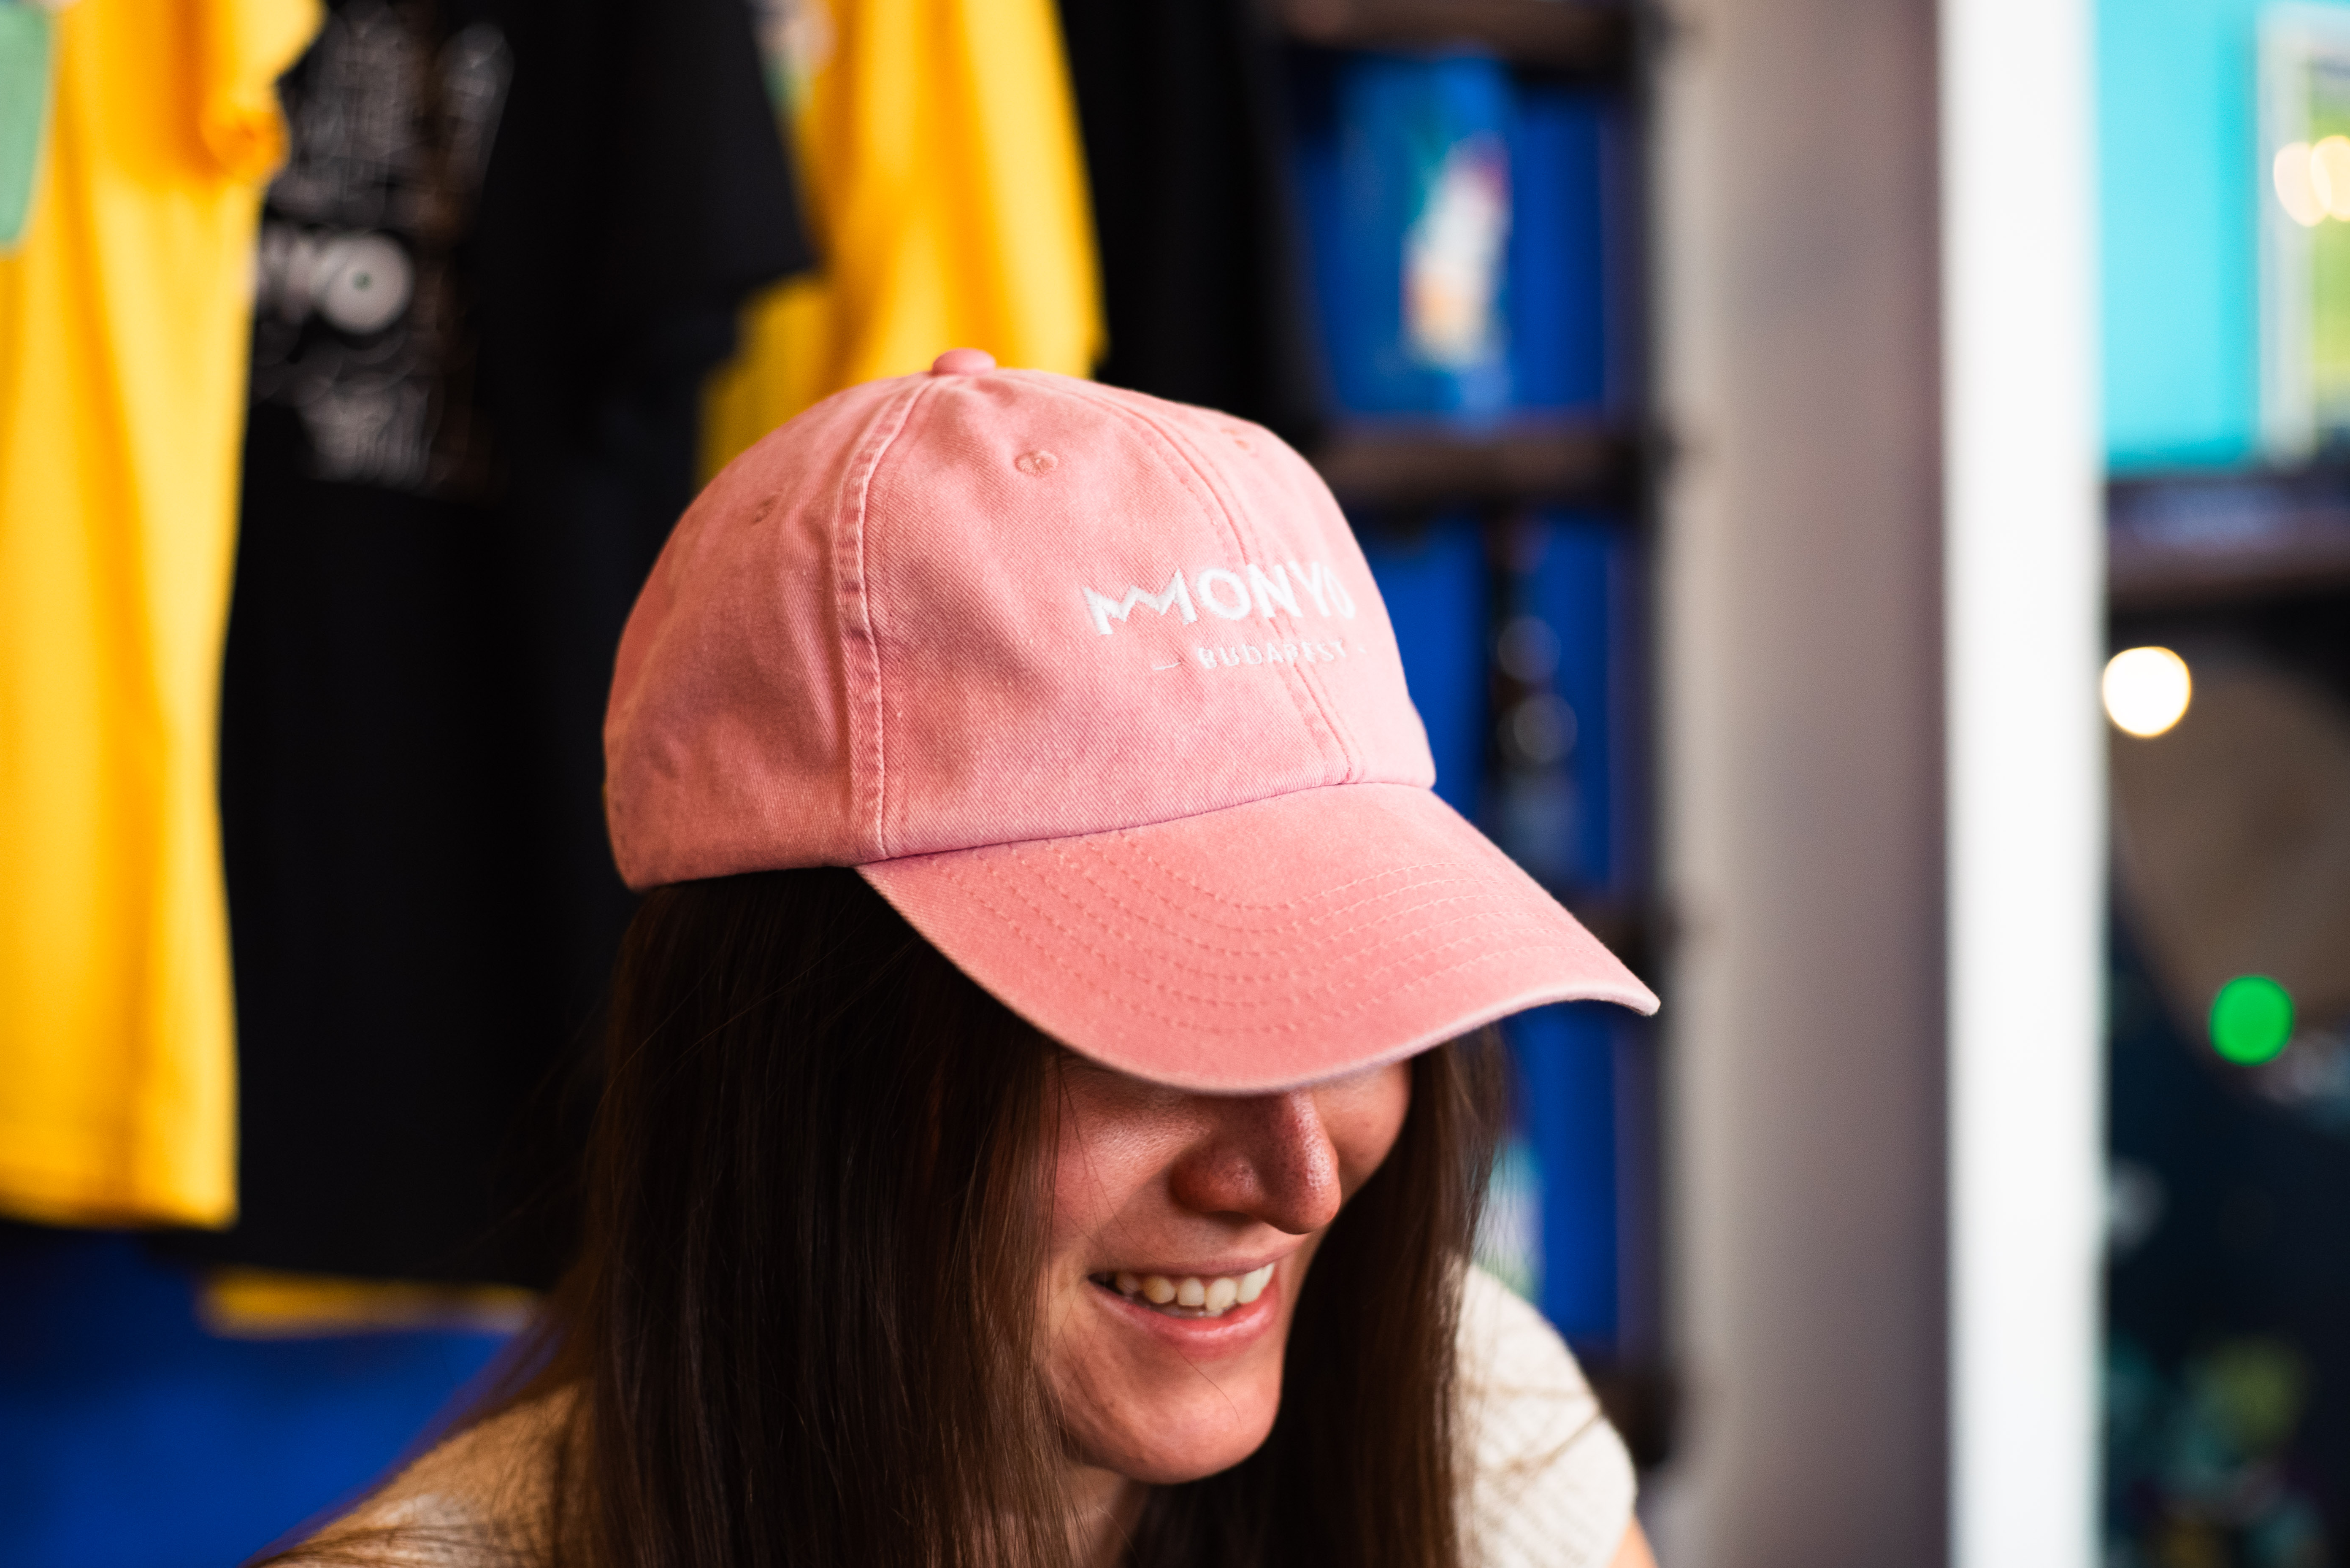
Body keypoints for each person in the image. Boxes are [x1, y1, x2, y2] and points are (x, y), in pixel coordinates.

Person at [269, 350, 1662, 1568]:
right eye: (1155, 1025)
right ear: (793, 1061)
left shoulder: (1469, 1414)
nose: (1299, 1180)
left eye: (1356, 995)